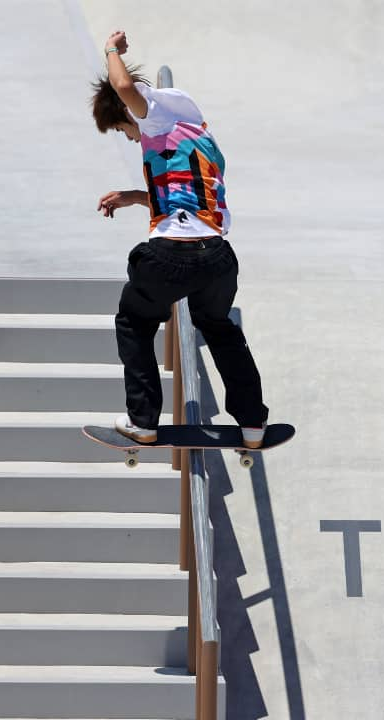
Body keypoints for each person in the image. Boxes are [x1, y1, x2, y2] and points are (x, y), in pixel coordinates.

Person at [90, 30, 268, 447]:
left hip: (171, 257)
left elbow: (121, 86)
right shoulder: (190, 127)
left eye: (121, 128)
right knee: (219, 327)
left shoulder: (150, 114)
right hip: (218, 257)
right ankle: (253, 423)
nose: (130, 137)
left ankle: (144, 421)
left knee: (133, 321)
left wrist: (111, 50)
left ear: (131, 113)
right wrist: (136, 196)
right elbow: (187, 192)